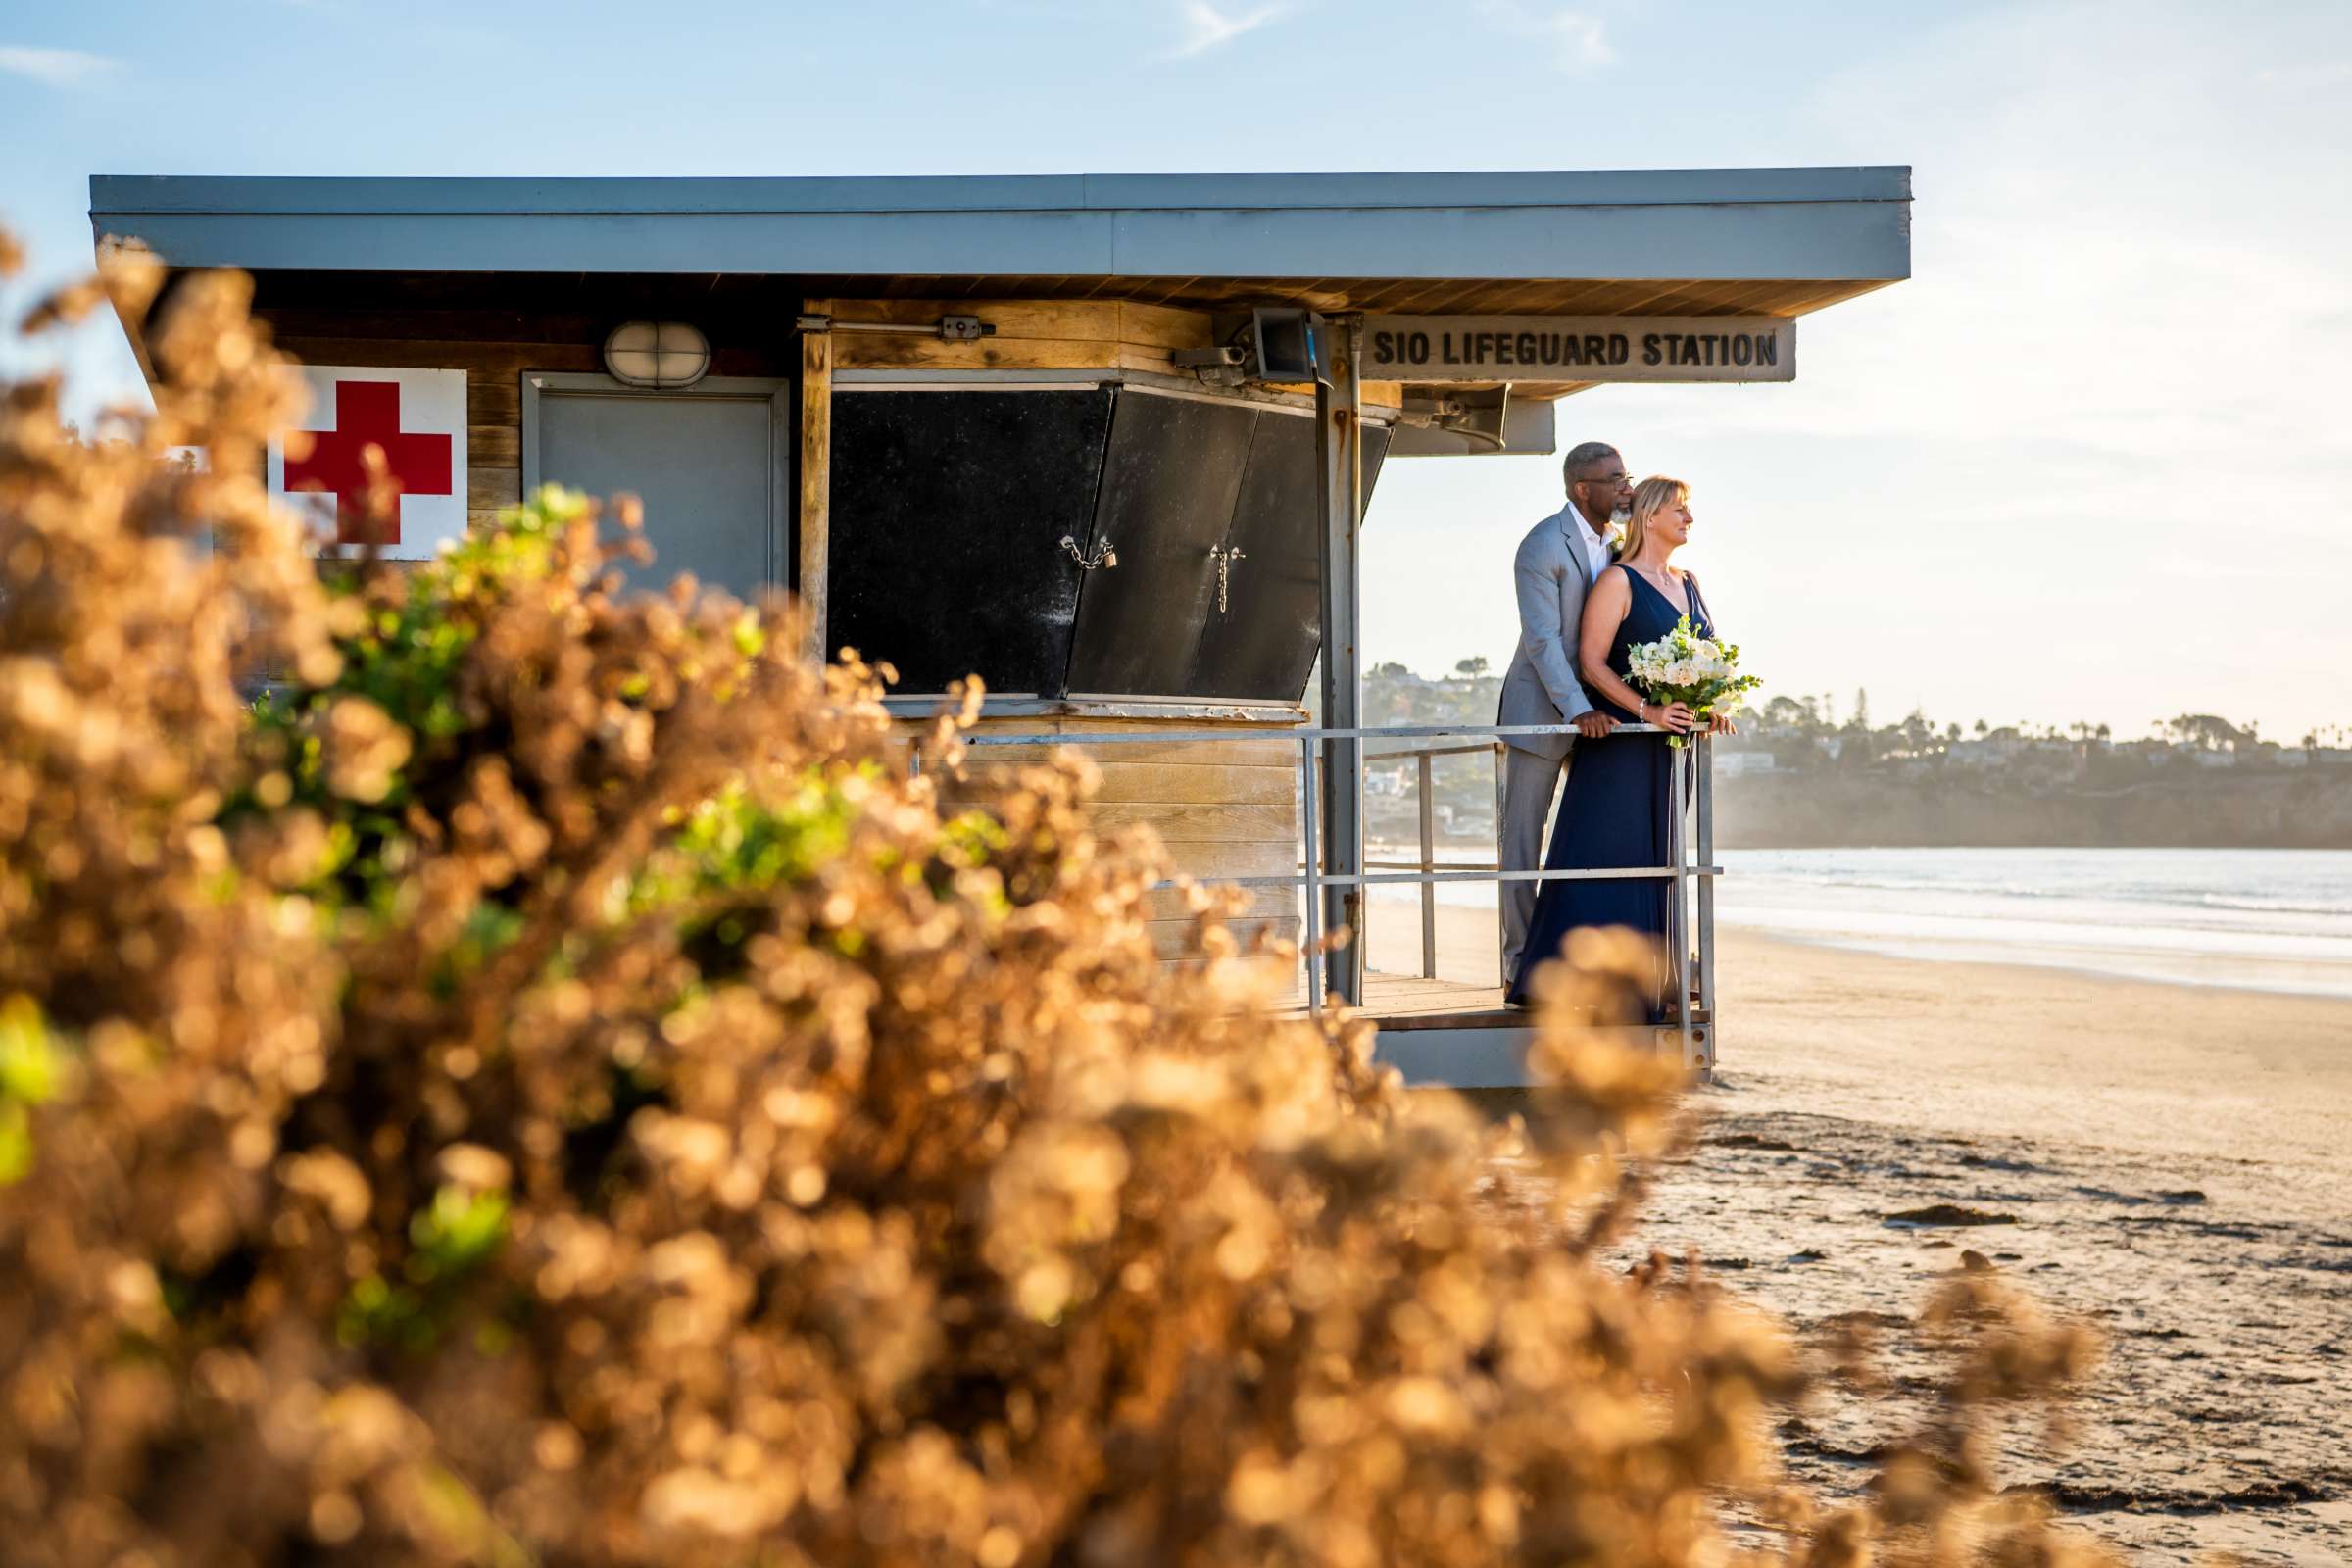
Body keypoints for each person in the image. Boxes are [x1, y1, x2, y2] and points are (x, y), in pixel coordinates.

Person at [1506, 475, 1735, 1016]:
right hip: (1623, 746)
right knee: (1607, 856)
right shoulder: (1617, 581)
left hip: (1671, 751)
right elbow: (1591, 663)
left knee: (1660, 861)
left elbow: (1707, 659)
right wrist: (1647, 711)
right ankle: (1568, 982)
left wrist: (1710, 708)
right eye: (1680, 510)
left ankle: (1647, 982)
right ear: (1651, 516)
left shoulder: (1691, 581)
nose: (1689, 519)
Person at [1495, 442, 1632, 983]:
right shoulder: (1543, 544)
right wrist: (1577, 711)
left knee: (1598, 834)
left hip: (1603, 715)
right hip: (1543, 710)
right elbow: (1543, 642)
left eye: (1628, 475)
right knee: (1523, 845)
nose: (1626, 486)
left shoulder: (1620, 543)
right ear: (1582, 489)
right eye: (1615, 478)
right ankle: (1518, 965)